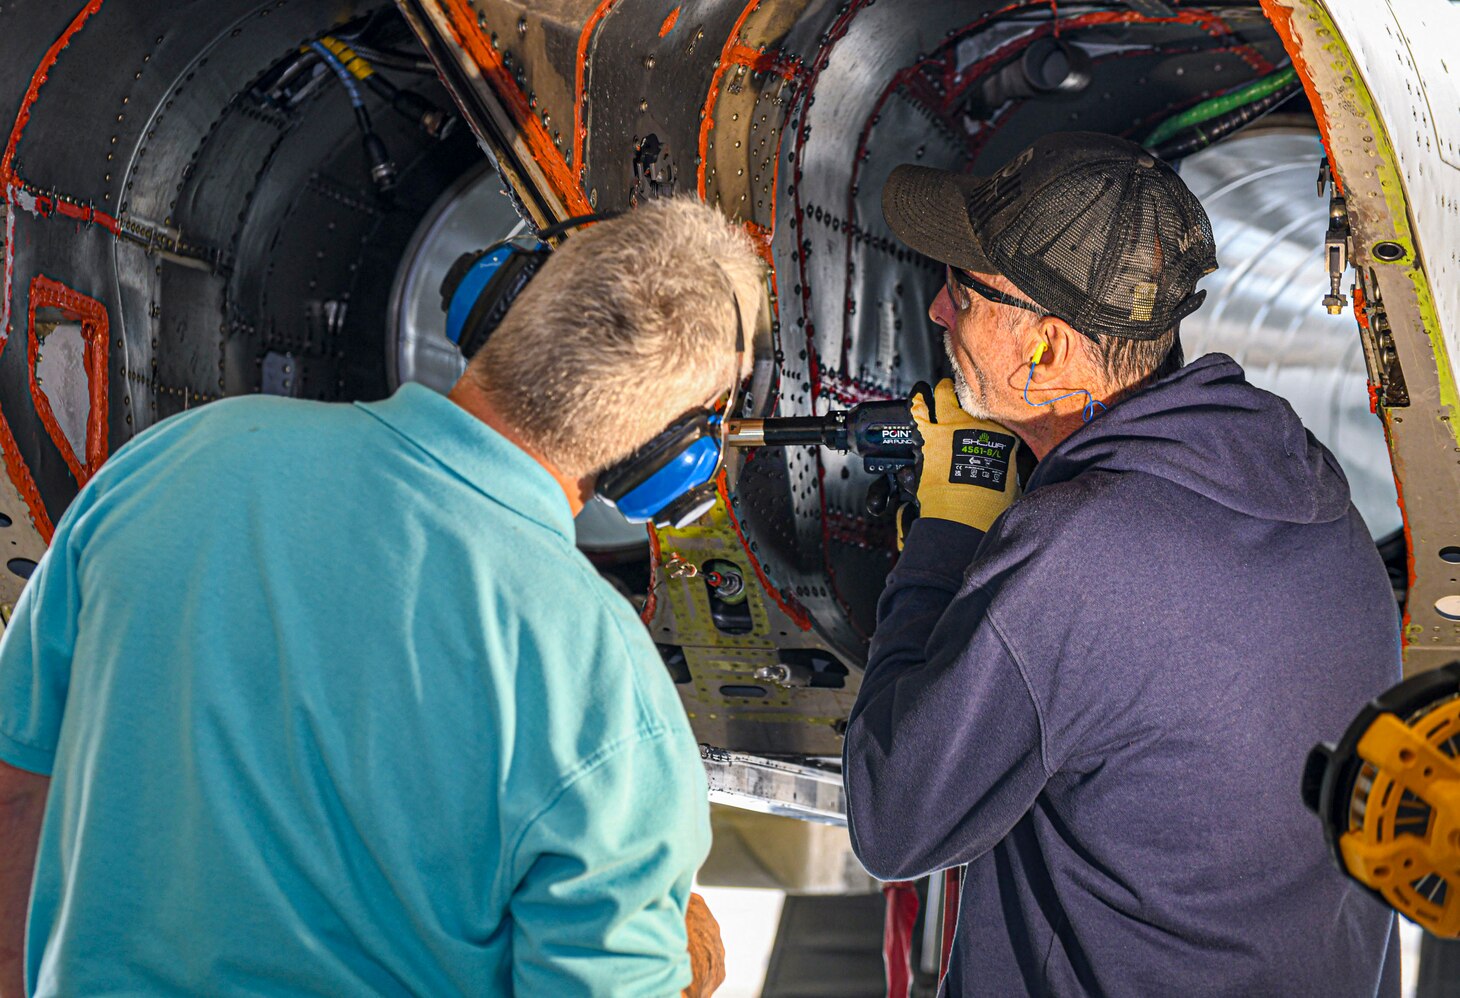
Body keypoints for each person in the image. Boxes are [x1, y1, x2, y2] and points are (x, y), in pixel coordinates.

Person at [0, 196, 760, 997]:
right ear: (668, 461)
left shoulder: (175, 460)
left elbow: (17, 800)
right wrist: (682, 963)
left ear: (496, 298)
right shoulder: (609, 696)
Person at [842, 132, 1400, 995]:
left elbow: (894, 817)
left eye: (963, 288)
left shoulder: (1081, 554)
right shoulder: (1309, 487)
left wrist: (951, 528)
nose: (939, 313)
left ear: (1049, 350)